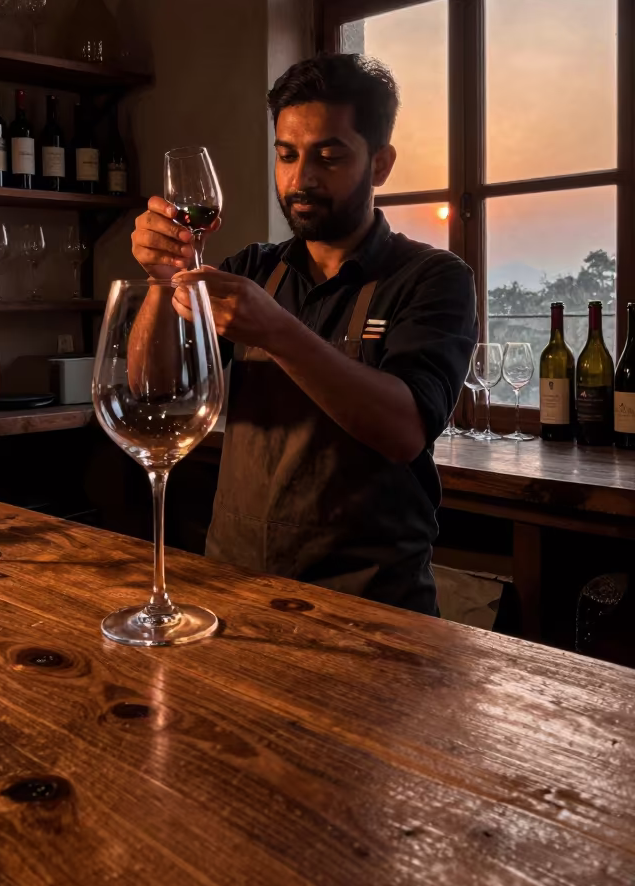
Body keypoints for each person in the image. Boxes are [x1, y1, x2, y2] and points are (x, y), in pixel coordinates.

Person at [131, 54, 477, 615]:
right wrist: (160, 282)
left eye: (329, 156)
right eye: (287, 155)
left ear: (381, 163)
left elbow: (405, 428)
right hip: (235, 590)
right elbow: (153, 388)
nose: (301, 179)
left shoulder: (433, 278)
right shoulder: (250, 269)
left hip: (372, 605)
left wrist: (277, 332)